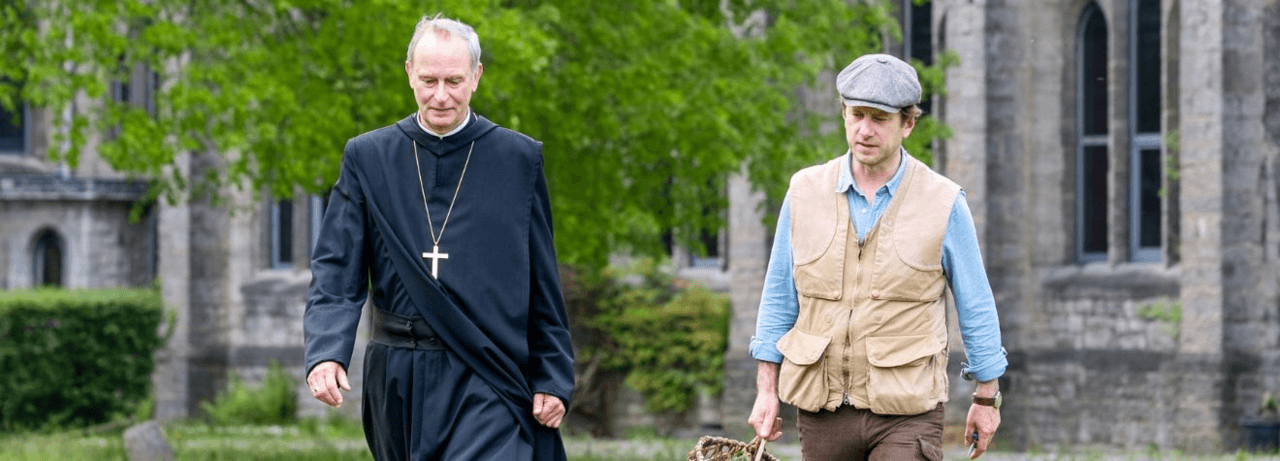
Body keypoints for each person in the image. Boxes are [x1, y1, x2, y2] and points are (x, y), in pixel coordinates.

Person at [303, 15, 575, 461]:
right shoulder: (368, 157)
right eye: (429, 80)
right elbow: (336, 268)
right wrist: (326, 351)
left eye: (454, 80)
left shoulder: (518, 159)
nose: (441, 95)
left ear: (477, 76)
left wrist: (551, 375)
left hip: (487, 369)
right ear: (409, 72)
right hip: (397, 377)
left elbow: (542, 280)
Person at [746, 53, 1007, 460]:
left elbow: (975, 303)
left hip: (907, 413)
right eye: (856, 115)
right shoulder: (804, 192)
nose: (865, 130)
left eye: (880, 119)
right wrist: (766, 391)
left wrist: (987, 398)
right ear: (844, 115)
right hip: (822, 410)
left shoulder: (943, 202)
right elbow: (779, 298)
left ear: (908, 123)